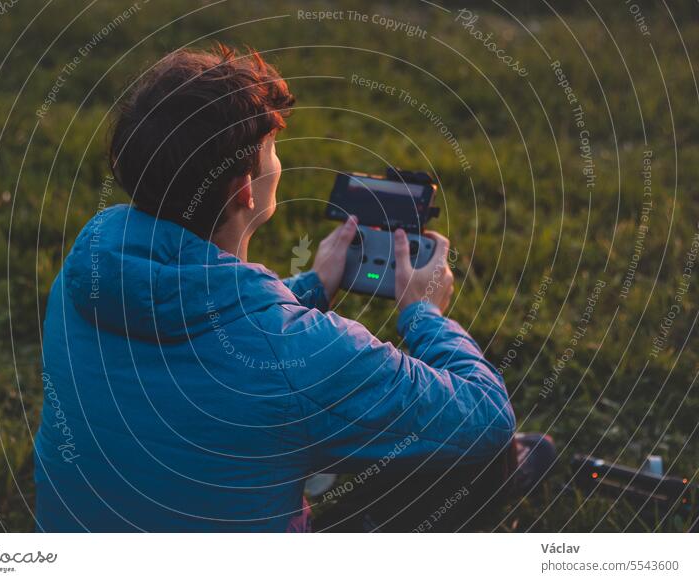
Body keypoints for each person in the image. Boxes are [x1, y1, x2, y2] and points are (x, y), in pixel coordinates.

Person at [34, 45, 554, 533]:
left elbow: (206, 330)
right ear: (244, 186)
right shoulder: (303, 354)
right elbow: (485, 416)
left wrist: (310, 287)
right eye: (272, 149)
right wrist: (424, 313)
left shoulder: (89, 272)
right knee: (484, 458)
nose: (277, 161)